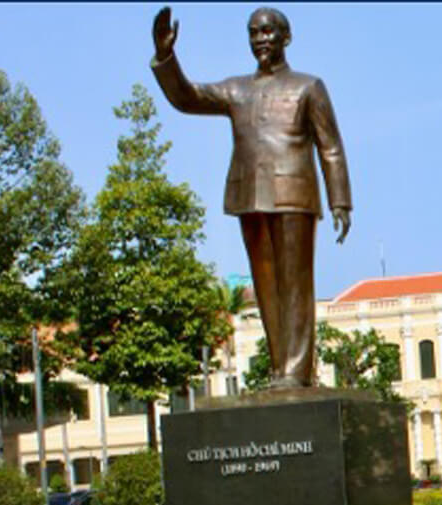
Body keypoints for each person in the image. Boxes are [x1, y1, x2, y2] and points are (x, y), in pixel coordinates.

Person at [150, 6, 352, 388]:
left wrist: (339, 199)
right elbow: (188, 97)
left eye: (268, 31)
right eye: (254, 33)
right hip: (249, 197)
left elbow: (331, 147)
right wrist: (166, 58)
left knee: (296, 285)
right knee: (266, 288)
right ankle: (281, 369)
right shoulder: (236, 89)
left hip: (294, 195)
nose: (260, 39)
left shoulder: (308, 87)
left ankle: (297, 369)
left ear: (285, 37)